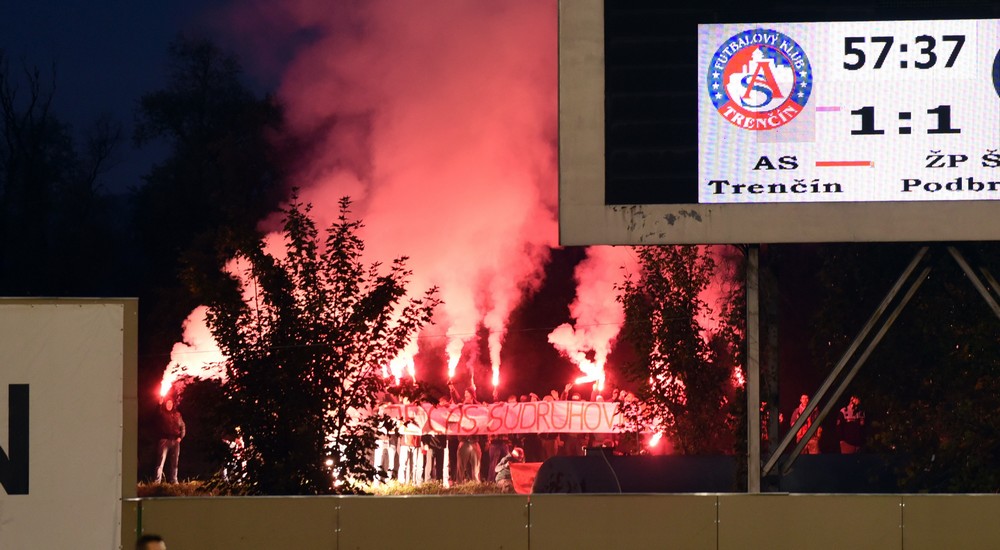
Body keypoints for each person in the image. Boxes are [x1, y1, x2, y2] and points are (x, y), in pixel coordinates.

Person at [154, 398, 185, 483]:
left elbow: (183, 426)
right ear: (165, 404)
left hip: (175, 441)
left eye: (170, 403)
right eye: (167, 403)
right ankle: (157, 481)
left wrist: (180, 437)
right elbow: (157, 412)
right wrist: (159, 404)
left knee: (175, 462)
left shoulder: (177, 414)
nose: (169, 405)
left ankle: (174, 480)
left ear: (173, 404)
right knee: (160, 461)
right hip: (164, 440)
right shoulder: (162, 413)